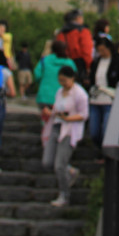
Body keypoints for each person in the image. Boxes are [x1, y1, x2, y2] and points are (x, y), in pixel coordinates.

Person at [42, 66, 88, 207]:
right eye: (60, 80)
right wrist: (51, 112)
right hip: (57, 126)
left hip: (69, 129)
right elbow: (57, 108)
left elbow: (84, 114)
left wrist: (69, 119)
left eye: (65, 80)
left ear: (72, 78)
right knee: (47, 162)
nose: (63, 83)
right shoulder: (59, 92)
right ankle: (71, 171)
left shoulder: (80, 94)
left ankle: (64, 194)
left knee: (59, 165)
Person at [89, 37, 119, 151]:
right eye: (98, 50)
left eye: (103, 50)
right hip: (96, 99)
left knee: (106, 129)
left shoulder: (118, 62)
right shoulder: (96, 62)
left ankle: (105, 152)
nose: (101, 53)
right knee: (94, 131)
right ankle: (100, 149)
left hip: (110, 99)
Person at [35, 40, 77, 116]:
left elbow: (37, 75)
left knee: (46, 122)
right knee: (61, 123)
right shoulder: (70, 63)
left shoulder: (45, 60)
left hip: (45, 96)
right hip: (64, 97)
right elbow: (74, 78)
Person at [55, 10, 92, 86]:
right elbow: (86, 51)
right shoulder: (83, 31)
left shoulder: (61, 33)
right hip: (79, 65)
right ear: (78, 18)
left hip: (63, 64)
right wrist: (88, 66)